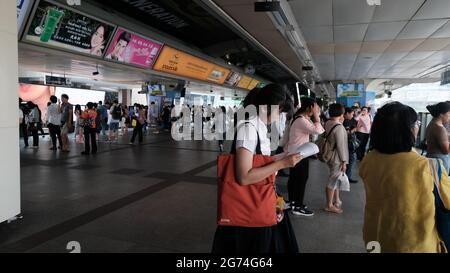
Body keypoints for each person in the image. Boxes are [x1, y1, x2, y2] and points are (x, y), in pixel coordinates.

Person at [212, 84, 302, 254]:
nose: (279, 117)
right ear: (271, 107)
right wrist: (282, 164)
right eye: (280, 112)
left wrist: (280, 159)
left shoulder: (258, 127)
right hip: (248, 210)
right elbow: (244, 176)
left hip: (258, 203)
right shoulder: (248, 128)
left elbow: (259, 164)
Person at [360, 102, 450, 252]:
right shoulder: (427, 166)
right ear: (409, 130)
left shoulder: (369, 160)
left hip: (376, 237)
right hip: (415, 243)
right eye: (416, 123)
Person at [285, 97, 324, 216]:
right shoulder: (301, 120)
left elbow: (319, 129)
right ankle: (297, 205)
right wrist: (317, 117)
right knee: (300, 179)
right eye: (315, 107)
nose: (317, 110)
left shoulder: (302, 118)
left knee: (295, 178)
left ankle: (293, 202)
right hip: (299, 154)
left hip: (298, 152)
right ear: (309, 107)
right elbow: (318, 131)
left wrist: (315, 118)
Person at [323, 104, 348, 214]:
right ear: (342, 114)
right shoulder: (339, 127)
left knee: (335, 176)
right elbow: (341, 146)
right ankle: (329, 205)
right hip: (337, 157)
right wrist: (344, 161)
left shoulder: (328, 123)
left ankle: (336, 199)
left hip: (329, 155)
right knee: (333, 179)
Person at [425, 102, 450, 173]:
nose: (449, 116)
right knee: (440, 183)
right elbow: (446, 151)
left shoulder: (432, 124)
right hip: (439, 160)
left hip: (431, 156)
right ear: (441, 114)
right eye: (449, 113)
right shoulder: (439, 128)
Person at [343, 107, 358, 183]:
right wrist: (353, 130)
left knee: (351, 160)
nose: (353, 115)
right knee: (352, 159)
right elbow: (347, 133)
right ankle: (347, 177)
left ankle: (347, 176)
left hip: (348, 144)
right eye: (352, 114)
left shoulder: (348, 120)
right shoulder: (345, 121)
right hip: (348, 144)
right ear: (347, 113)